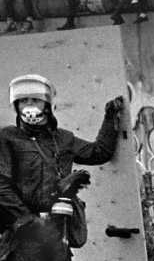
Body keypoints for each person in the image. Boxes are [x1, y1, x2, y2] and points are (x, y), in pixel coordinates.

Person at [0, 74, 124, 261]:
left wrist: (111, 116)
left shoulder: (63, 139)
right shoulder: (7, 137)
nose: (29, 106)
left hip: (57, 229)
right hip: (23, 234)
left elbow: (99, 152)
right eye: (23, 101)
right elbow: (1, 185)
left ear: (47, 105)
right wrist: (27, 220)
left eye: (35, 100)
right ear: (16, 106)